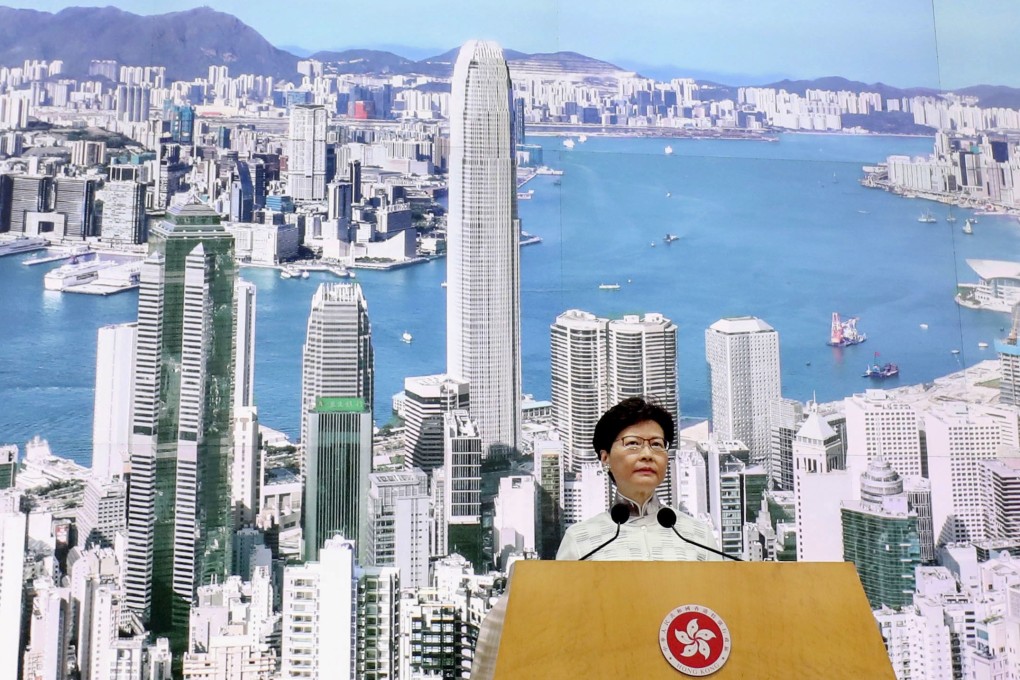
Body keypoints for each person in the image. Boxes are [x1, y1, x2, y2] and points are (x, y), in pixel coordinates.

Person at [556, 396, 720, 561]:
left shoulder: (699, 538)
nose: (647, 454)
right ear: (606, 459)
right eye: (633, 443)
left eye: (656, 444)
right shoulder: (579, 541)